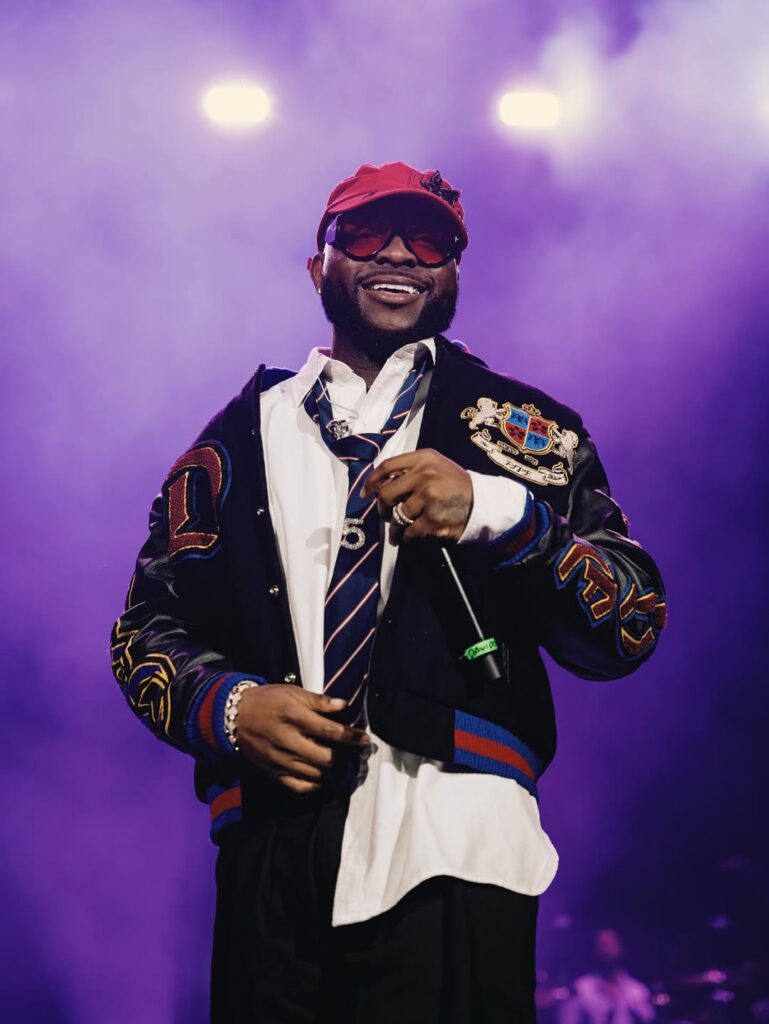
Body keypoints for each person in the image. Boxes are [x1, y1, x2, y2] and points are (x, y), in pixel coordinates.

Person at [110, 161, 667, 1023]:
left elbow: (629, 624)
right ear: (315, 265)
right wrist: (228, 707)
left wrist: (498, 511)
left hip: (454, 831)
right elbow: (145, 627)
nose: (399, 254)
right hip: (269, 836)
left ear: (453, 271)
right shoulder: (229, 441)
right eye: (366, 234)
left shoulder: (531, 432)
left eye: (431, 239)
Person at [558, 928, 656, 1024]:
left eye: (611, 943)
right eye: (603, 944)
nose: (608, 949)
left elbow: (649, 1019)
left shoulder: (638, 991)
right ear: (595, 950)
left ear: (621, 947)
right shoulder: (581, 989)